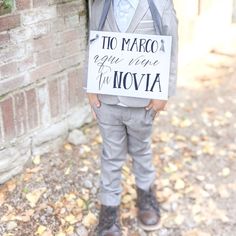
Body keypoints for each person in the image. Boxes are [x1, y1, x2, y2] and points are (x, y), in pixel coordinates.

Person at [86, 0, 178, 235]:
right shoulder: (100, 4)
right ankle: (109, 211)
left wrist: (164, 92)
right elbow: (93, 40)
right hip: (107, 100)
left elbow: (172, 46)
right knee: (111, 155)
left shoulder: (160, 4)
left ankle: (146, 198)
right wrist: (91, 87)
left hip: (143, 102)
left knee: (141, 150)